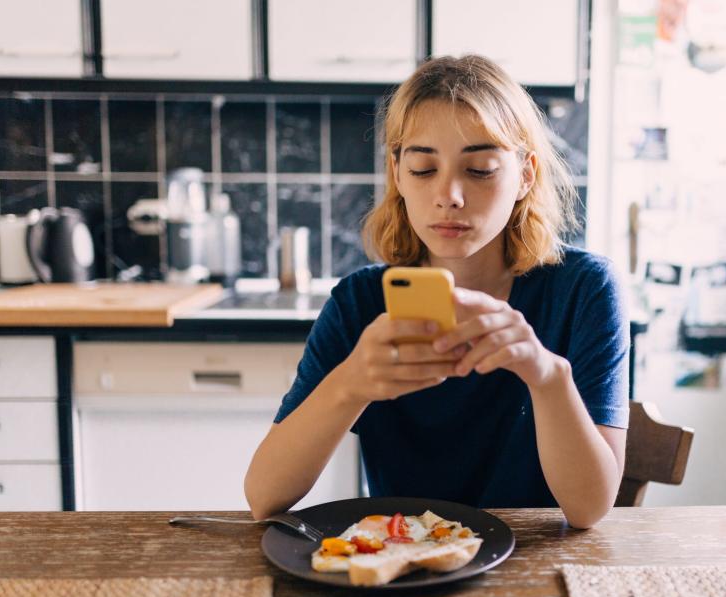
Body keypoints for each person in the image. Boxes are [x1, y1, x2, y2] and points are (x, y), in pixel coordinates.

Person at [245, 55, 629, 529]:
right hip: (406, 565)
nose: (449, 194)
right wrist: (349, 386)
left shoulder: (584, 290)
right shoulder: (359, 303)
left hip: (534, 568)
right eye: (424, 169)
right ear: (398, 174)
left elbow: (589, 510)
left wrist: (547, 377)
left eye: (481, 169)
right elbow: (264, 498)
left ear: (526, 174)